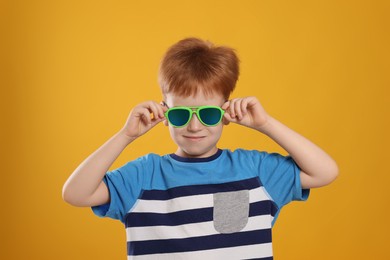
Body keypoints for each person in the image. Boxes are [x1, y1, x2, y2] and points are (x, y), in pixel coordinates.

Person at [63, 37, 338, 259]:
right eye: (181, 115)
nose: (194, 126)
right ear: (164, 113)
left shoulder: (253, 170)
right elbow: (76, 193)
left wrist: (265, 124)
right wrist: (125, 135)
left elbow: (325, 172)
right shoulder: (144, 175)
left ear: (225, 112)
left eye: (207, 114)